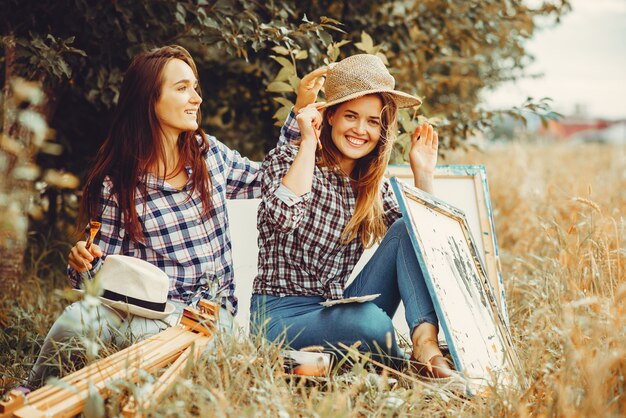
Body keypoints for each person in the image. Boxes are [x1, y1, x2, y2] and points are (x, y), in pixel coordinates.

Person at [27, 45, 325, 388]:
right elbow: (96, 280)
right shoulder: (117, 184)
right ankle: (31, 395)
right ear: (148, 100)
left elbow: (266, 178)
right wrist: (82, 262)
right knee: (79, 318)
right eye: (182, 88)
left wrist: (301, 111)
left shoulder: (208, 154)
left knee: (120, 340)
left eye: (195, 87)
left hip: (211, 324)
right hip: (148, 317)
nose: (196, 97)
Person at [251, 54, 454, 378]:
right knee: (372, 323)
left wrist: (424, 175)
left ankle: (425, 347)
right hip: (280, 316)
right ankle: (382, 361)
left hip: (334, 309)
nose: (361, 130)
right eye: (351, 116)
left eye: (373, 121)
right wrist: (306, 142)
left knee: (406, 229)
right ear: (329, 117)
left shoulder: (372, 187)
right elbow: (280, 219)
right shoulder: (292, 158)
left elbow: (426, 247)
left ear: (383, 128)